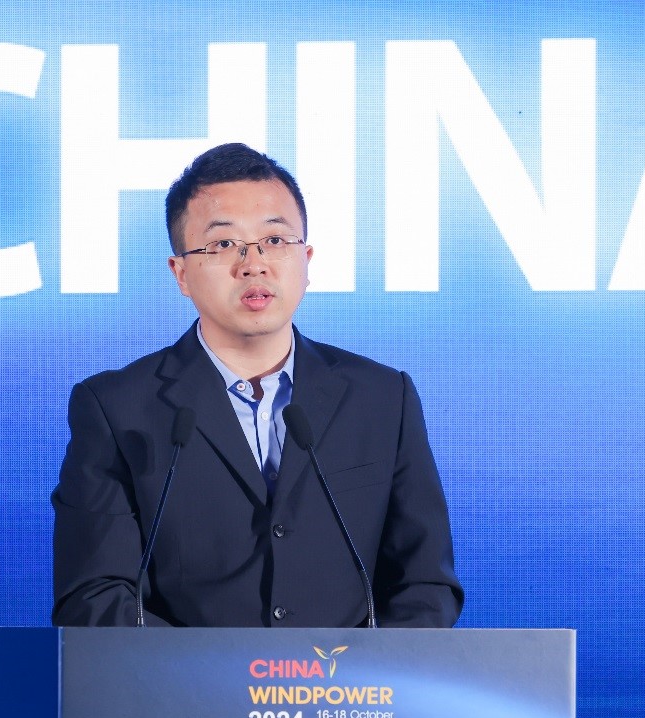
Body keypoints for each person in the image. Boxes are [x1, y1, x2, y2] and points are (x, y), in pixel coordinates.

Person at [51, 143, 462, 628]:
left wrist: (355, 674)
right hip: (184, 680)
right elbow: (95, 596)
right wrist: (217, 672)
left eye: (275, 240)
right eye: (224, 244)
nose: (254, 264)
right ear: (180, 273)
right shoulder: (117, 409)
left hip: (347, 678)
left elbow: (425, 586)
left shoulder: (383, 398)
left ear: (306, 259)